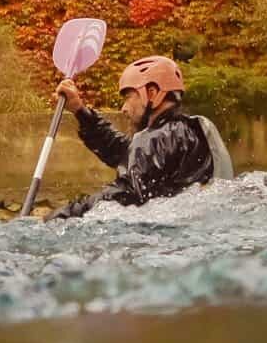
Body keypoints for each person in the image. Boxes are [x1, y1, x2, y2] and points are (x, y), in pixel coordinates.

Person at [48, 55, 233, 221]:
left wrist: (63, 216)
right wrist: (80, 111)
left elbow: (124, 195)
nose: (124, 108)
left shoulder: (161, 136)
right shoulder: (185, 132)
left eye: (129, 97)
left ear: (152, 93)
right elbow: (124, 152)